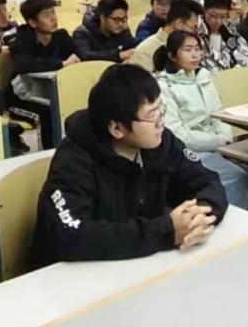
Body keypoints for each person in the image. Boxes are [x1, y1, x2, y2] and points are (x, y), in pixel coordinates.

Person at [29, 64, 228, 267]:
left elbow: (206, 181)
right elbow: (68, 234)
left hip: (142, 265)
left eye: (161, 110)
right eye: (152, 115)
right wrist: (165, 232)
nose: (161, 122)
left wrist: (199, 216)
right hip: (82, 275)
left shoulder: (161, 142)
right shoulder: (74, 160)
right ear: (117, 128)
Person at [153, 29, 248, 209]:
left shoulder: (203, 77)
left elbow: (218, 113)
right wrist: (218, 141)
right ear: (172, 56)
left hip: (217, 146)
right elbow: (178, 135)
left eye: (197, 49)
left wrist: (224, 136)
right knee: (237, 176)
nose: (195, 54)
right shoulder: (163, 86)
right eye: (188, 49)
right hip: (188, 152)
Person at [9, 0, 79, 148]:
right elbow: (23, 64)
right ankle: (48, 155)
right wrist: (62, 64)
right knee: (47, 113)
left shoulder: (61, 36)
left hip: (52, 93)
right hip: (23, 97)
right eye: (47, 15)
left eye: (53, 13)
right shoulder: (22, 38)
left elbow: (79, 53)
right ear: (33, 22)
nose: (54, 18)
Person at [131, 0, 202, 70]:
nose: (195, 34)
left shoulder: (190, 49)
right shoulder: (146, 50)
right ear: (179, 24)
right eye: (193, 28)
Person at [71, 0, 136, 63]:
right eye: (116, 19)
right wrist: (119, 55)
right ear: (103, 18)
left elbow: (132, 48)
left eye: (124, 19)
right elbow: (85, 56)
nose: (120, 24)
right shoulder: (82, 33)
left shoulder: (123, 28)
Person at [197, 0, 241, 72]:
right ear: (204, 11)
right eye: (213, 16)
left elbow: (240, 57)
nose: (218, 21)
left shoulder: (231, 32)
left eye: (223, 17)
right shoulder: (196, 32)